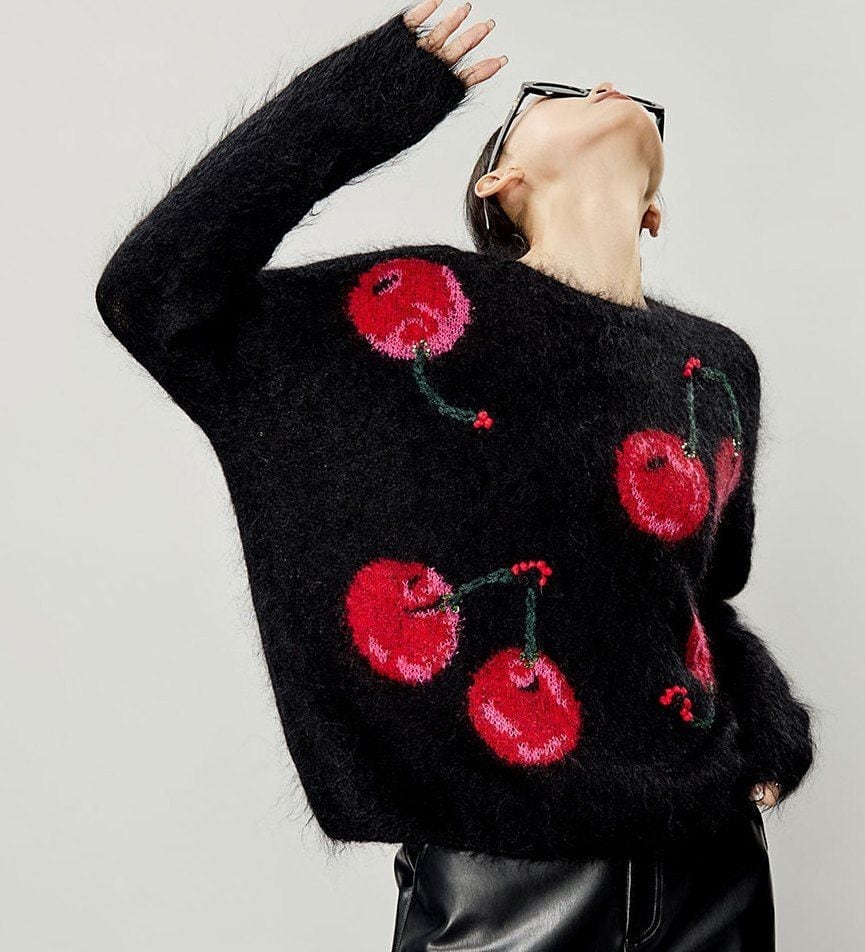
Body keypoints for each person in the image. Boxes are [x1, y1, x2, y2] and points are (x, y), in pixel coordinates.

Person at [95, 2, 816, 949]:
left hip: (712, 866)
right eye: (555, 96)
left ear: (655, 208)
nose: (605, 90)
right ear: (500, 179)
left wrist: (769, 728)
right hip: (505, 882)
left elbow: (697, 595)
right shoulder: (416, 321)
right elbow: (155, 294)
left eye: (626, 97)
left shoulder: (714, 365)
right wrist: (375, 95)